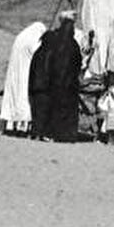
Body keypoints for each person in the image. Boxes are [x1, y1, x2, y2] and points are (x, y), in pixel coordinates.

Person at [31, 13, 82, 141]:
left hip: (57, 84)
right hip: (66, 85)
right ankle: (63, 135)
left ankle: (50, 133)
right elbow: (77, 64)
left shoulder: (54, 43)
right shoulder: (71, 45)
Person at [0, 21, 46, 135]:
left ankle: (10, 126)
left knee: (12, 98)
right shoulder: (34, 39)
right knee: (24, 99)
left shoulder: (21, 36)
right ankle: (23, 128)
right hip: (26, 73)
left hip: (13, 73)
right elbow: (38, 54)